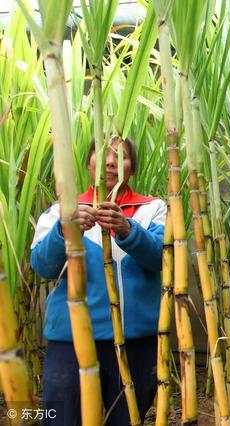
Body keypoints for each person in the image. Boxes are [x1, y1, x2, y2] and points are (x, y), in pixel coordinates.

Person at [31, 137, 166, 425]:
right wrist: (64, 230)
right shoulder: (62, 211)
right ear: (89, 161)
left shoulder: (152, 208)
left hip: (136, 343)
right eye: (103, 153)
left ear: (133, 167)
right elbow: (42, 266)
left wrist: (128, 229)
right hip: (72, 343)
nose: (111, 162)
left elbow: (161, 258)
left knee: (126, 419)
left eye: (122, 156)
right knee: (62, 419)